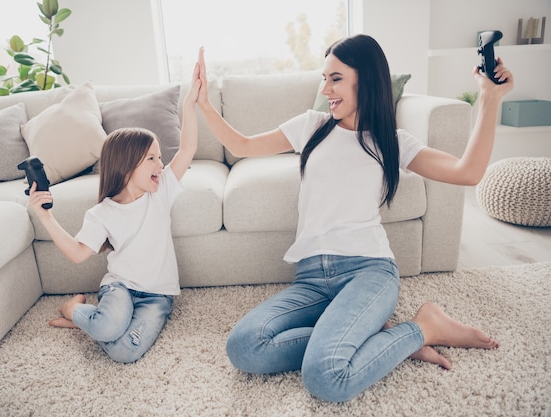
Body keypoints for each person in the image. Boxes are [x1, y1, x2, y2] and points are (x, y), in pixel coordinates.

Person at [193, 36, 513, 402]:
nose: (325, 88)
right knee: (244, 347)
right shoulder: (311, 125)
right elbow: (242, 146)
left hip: (368, 272)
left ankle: (424, 328)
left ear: (366, 78)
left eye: (335, 78)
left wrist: (490, 98)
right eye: (324, 78)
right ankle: (367, 337)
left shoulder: (391, 141)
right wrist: (204, 103)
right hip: (312, 279)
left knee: (325, 378)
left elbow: (468, 171)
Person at [28, 62, 201, 363]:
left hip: (157, 298)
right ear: (126, 164)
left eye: (159, 158)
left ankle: (89, 323)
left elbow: (186, 150)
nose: (160, 165)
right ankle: (74, 309)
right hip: (119, 288)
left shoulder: (160, 193)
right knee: (108, 326)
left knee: (124, 351)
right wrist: (46, 217)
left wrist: (189, 103)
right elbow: (79, 254)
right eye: (151, 159)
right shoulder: (102, 213)